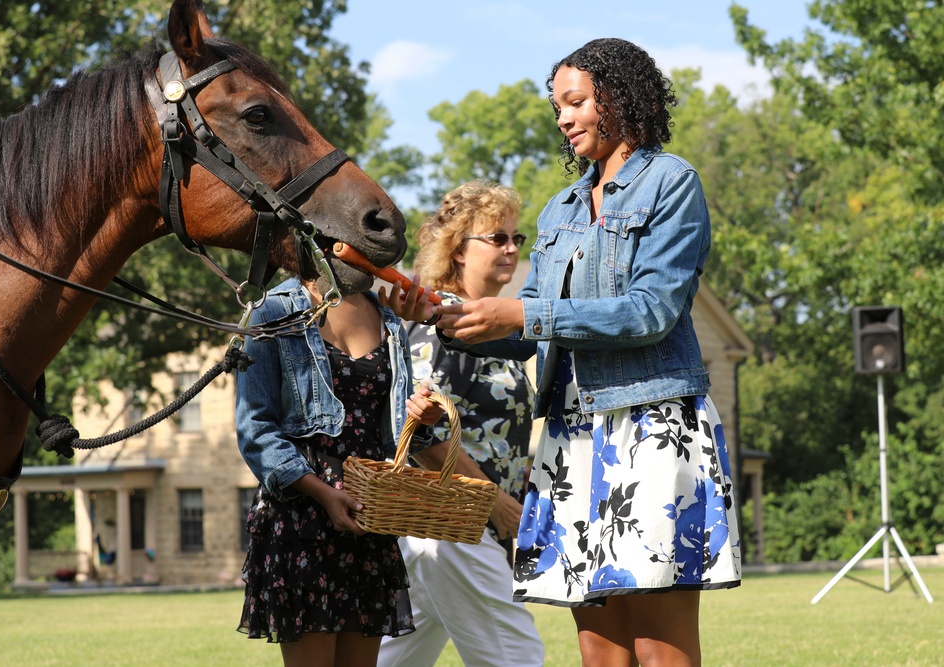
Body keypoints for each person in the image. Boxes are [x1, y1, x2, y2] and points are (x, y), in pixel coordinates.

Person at [392, 38, 741, 667]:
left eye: (575, 102)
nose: (563, 118)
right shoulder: (560, 209)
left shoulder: (670, 183)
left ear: (617, 97)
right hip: (573, 436)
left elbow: (652, 310)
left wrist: (527, 311)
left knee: (659, 645)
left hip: (650, 421)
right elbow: (523, 331)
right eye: (557, 107)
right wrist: (443, 319)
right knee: (600, 649)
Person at [376, 181, 545, 667]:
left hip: (447, 530)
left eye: (517, 238)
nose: (512, 248)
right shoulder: (443, 324)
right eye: (497, 238)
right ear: (457, 249)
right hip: (454, 525)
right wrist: (497, 504)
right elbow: (423, 433)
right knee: (517, 657)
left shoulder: (491, 324)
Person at [234, 275, 441, 667]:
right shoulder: (272, 310)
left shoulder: (388, 319)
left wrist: (422, 418)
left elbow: (395, 434)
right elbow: (255, 429)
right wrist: (325, 495)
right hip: (302, 518)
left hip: (367, 520)